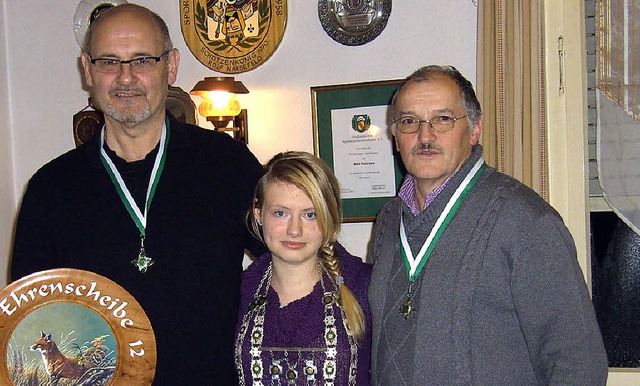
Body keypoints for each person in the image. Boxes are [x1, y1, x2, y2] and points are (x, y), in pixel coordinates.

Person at [10, 4, 264, 384]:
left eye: (142, 60)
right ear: (87, 70)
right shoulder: (50, 188)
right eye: (109, 61)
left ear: (171, 66)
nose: (125, 78)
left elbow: (289, 258)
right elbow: (29, 318)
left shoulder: (228, 164)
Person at [368, 65, 609, 385]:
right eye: (410, 121)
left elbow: (579, 364)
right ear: (396, 136)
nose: (425, 136)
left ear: (475, 129)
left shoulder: (525, 221)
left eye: (442, 119)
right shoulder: (387, 221)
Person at [235, 151, 371, 385]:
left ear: (330, 218)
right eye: (281, 213)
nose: (295, 230)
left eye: (310, 215)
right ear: (259, 215)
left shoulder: (365, 286)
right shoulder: (238, 292)